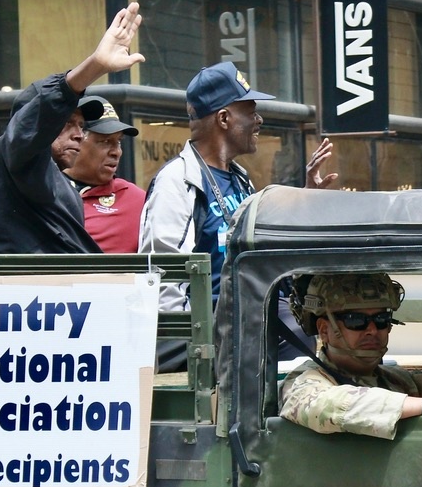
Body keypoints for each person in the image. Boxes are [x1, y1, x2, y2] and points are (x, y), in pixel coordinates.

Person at [138, 61, 338, 310]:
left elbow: (265, 253)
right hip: (210, 339)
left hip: (249, 326)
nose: (259, 120)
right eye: (251, 112)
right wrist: (196, 345)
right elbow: (164, 285)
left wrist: (306, 201)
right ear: (223, 118)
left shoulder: (240, 178)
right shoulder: (176, 182)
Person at [0, 2, 144, 255]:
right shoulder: (15, 155)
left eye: (81, 125)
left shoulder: (62, 187)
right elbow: (43, 111)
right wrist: (95, 66)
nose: (78, 134)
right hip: (16, 294)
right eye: (66, 123)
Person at [280, 272, 422, 438]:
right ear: (325, 329)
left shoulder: (406, 382)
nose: (373, 330)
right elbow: (327, 407)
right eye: (356, 320)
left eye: (381, 319)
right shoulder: (303, 383)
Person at [63, 97, 146, 253]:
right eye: (106, 141)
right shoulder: (45, 191)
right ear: (77, 139)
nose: (116, 152)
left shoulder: (136, 199)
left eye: (119, 141)